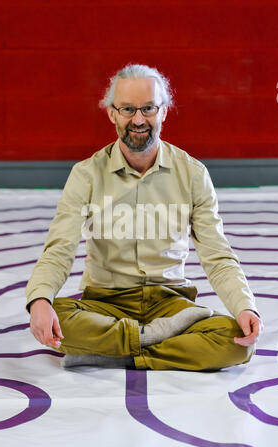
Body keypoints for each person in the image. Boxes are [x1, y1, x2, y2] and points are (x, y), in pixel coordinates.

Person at [26, 64, 263, 371]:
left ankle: (114, 352)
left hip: (170, 302)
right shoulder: (85, 174)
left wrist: (245, 307)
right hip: (105, 303)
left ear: (164, 111)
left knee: (235, 342)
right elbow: (59, 250)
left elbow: (217, 255)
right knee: (55, 314)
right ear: (112, 113)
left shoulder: (193, 174)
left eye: (148, 108)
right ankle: (155, 342)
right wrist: (41, 300)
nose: (138, 119)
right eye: (128, 109)